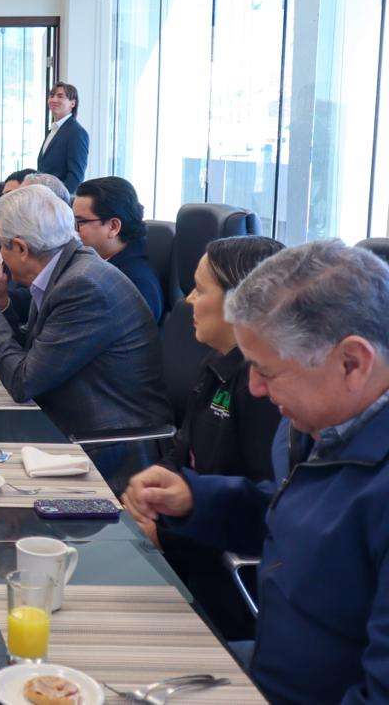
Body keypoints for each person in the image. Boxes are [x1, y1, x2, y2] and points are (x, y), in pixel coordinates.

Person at [123, 241, 389, 704]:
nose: (255, 389)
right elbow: (294, 517)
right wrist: (195, 499)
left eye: (268, 371)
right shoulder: (319, 426)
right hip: (269, 667)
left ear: (352, 363)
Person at [125, 235, 284, 641]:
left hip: (221, 585)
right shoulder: (217, 364)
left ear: (242, 302)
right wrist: (150, 492)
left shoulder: (267, 393)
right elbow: (181, 453)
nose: (188, 301)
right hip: (183, 548)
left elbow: (263, 511)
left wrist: (164, 536)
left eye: (200, 289)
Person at [0, 184, 170, 488]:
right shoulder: (64, 267)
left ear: (21, 248)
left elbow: (22, 381)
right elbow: (32, 357)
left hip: (106, 447)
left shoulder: (83, 286)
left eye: (1, 246)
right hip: (62, 421)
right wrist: (1, 302)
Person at [73, 176, 164, 321]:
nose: (73, 230)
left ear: (113, 227)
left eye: (80, 222)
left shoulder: (137, 284)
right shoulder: (94, 264)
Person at [36, 81, 89, 193]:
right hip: (44, 197)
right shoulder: (53, 130)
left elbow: (76, 176)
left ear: (72, 103)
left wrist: (59, 200)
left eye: (60, 96)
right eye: (51, 96)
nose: (54, 99)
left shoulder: (77, 132)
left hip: (58, 200)